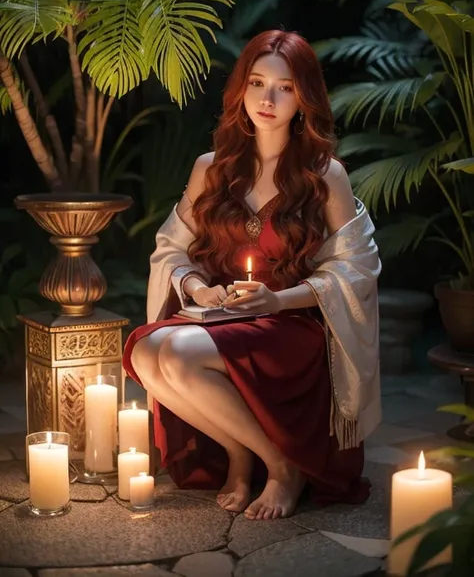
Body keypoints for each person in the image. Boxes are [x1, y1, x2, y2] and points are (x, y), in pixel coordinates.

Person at [122, 29, 382, 521]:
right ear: (240, 88)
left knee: (172, 352)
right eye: (257, 82)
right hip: (223, 318)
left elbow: (356, 270)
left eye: (284, 88)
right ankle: (243, 452)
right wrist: (198, 287)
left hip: (291, 326)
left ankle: (284, 467)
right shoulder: (211, 169)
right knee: (145, 349)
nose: (267, 98)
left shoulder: (325, 175)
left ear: (304, 98)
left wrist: (276, 302)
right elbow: (172, 250)